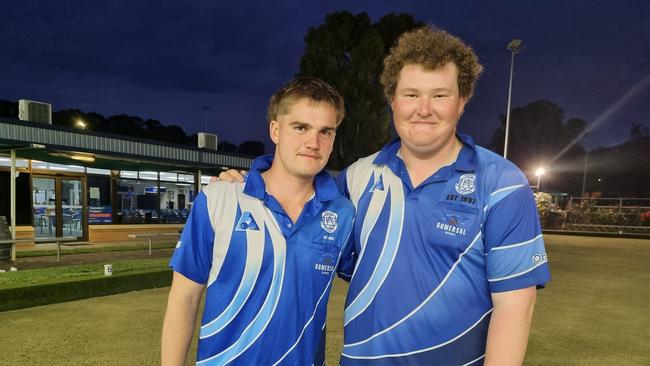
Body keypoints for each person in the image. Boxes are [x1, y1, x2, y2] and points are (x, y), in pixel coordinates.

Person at [220, 26, 551, 365]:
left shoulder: (503, 183)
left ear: (462, 102)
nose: (423, 109)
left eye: (439, 95)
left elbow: (515, 309)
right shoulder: (357, 177)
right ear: (392, 100)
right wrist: (243, 183)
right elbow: (294, 214)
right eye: (410, 95)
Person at [161, 77, 355, 365]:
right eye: (300, 127)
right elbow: (184, 299)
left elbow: (377, 282)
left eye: (325, 131)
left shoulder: (343, 213)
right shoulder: (219, 199)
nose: (313, 142)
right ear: (275, 130)